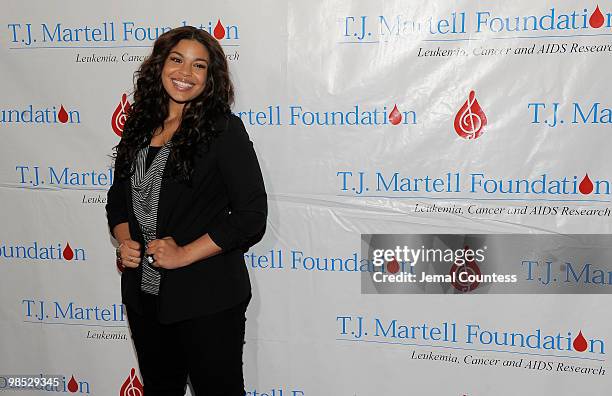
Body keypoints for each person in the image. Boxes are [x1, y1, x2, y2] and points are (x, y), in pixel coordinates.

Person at [105, 26, 267, 396]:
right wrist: (125, 238)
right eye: (177, 60)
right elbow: (118, 196)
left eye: (199, 66)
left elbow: (251, 215)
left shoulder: (223, 129)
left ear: (210, 78)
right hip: (144, 295)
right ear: (160, 64)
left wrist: (183, 254)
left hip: (206, 296)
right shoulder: (139, 124)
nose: (184, 73)